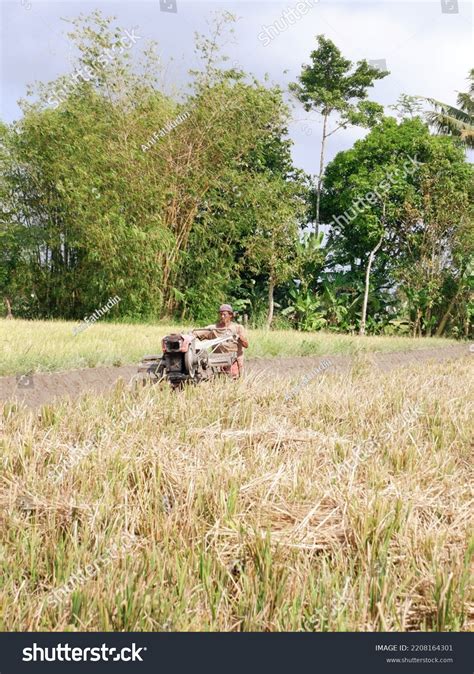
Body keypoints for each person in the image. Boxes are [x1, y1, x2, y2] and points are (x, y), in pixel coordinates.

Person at [192, 304, 249, 376]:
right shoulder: (213, 329)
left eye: (224, 315)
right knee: (217, 378)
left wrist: (239, 337)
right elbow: (196, 333)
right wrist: (190, 335)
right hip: (218, 360)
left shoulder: (237, 328)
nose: (222, 317)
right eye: (220, 314)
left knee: (234, 378)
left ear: (230, 315)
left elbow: (246, 345)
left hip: (234, 360)